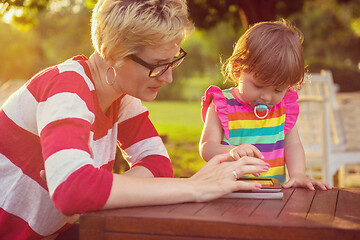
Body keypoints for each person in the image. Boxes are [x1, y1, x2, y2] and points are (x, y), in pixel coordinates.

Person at [0, 0, 270, 239]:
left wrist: (97, 191)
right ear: (111, 52)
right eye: (156, 65)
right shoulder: (67, 88)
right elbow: (73, 190)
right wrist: (193, 187)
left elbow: (158, 164)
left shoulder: (122, 97)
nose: (168, 77)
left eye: (173, 61)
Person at [200, 20, 332, 191]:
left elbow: (292, 145)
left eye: (278, 90)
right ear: (238, 68)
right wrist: (231, 152)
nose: (267, 97)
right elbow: (206, 148)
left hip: (272, 193)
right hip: (228, 192)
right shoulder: (222, 104)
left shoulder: (282, 108)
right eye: (258, 85)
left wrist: (298, 174)